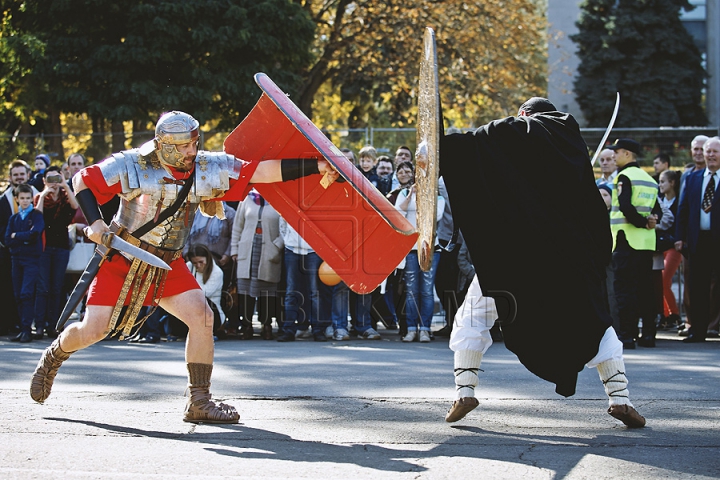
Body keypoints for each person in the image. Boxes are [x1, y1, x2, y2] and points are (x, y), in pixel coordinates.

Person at [28, 110, 339, 424]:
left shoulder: (206, 166)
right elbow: (82, 180)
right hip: (122, 258)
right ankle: (54, 356)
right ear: (163, 145)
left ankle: (199, 400)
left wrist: (315, 166)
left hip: (167, 263)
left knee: (202, 317)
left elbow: (259, 172)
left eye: (194, 142)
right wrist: (95, 223)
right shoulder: (132, 163)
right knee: (93, 330)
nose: (192, 151)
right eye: (183, 146)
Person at [439, 98, 645, 427]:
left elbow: (485, 147)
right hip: (569, 260)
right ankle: (620, 399)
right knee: (595, 323)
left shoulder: (519, 133)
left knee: (472, 317)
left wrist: (447, 146)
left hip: (513, 258)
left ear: (525, 115)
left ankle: (465, 391)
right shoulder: (571, 141)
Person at [607, 138, 661, 349]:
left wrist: (641, 223)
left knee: (625, 291)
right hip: (646, 244)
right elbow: (659, 209)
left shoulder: (624, 176)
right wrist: (651, 221)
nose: (614, 156)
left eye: (617, 152)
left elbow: (626, 207)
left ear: (627, 154)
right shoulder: (649, 179)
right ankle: (649, 335)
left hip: (626, 241)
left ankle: (627, 336)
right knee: (646, 291)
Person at [674, 136, 720, 343]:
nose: (710, 155)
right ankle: (697, 330)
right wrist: (679, 237)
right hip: (698, 240)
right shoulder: (693, 178)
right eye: (708, 151)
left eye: (714, 151)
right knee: (697, 286)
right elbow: (683, 210)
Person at [395, 180, 445, 343]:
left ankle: (425, 328)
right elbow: (398, 213)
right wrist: (411, 194)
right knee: (411, 291)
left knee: (426, 291)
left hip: (430, 248)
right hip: (410, 248)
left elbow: (435, 216)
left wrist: (424, 196)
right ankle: (410, 329)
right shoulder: (404, 193)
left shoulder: (437, 197)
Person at [33, 166, 79, 339]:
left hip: (61, 248)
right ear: (44, 181)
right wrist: (45, 193)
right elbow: (37, 216)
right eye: (50, 179)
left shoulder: (66, 198)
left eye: (56, 178)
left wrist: (65, 186)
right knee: (43, 287)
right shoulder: (40, 198)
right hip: (44, 248)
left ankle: (53, 325)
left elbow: (75, 207)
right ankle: (39, 325)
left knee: (56, 287)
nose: (53, 183)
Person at [230, 190, 283, 340]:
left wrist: (277, 246)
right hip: (248, 250)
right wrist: (235, 249)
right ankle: (246, 326)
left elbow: (286, 227)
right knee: (245, 289)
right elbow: (237, 227)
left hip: (269, 250)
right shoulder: (246, 199)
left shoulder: (278, 200)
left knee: (267, 290)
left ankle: (267, 325)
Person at [276, 218, 333, 342]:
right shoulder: (290, 201)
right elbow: (282, 222)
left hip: (313, 249)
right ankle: (289, 330)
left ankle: (318, 330)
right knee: (291, 291)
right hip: (292, 249)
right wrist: (287, 240)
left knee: (315, 292)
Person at [6, 184, 45, 343]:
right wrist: (21, 237)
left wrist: (18, 236)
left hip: (31, 259)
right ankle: (23, 329)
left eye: (28, 198)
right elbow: (8, 239)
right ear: (17, 199)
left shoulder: (36, 215)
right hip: (17, 259)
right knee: (17, 295)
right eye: (22, 198)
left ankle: (27, 329)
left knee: (26, 293)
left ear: (32, 199)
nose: (25, 201)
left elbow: (35, 234)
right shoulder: (14, 218)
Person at [0, 160, 34, 336]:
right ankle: (12, 324)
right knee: (11, 289)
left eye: (22, 174)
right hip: (10, 253)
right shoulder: (3, 200)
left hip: (34, 253)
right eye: (16, 175)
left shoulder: (37, 196)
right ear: (10, 177)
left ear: (28, 175)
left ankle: (30, 326)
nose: (19, 177)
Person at [657, 170, 682, 329]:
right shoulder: (659, 201)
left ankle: (674, 314)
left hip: (673, 246)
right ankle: (665, 315)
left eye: (662, 181)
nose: (660, 185)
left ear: (672, 183)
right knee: (659, 281)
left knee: (664, 279)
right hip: (660, 245)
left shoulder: (679, 202)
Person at [186, 243, 225, 333]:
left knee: (203, 299)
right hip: (192, 309)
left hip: (211, 310)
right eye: (195, 263)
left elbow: (203, 294)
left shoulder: (216, 272)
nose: (198, 266)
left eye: (201, 262)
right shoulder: (189, 266)